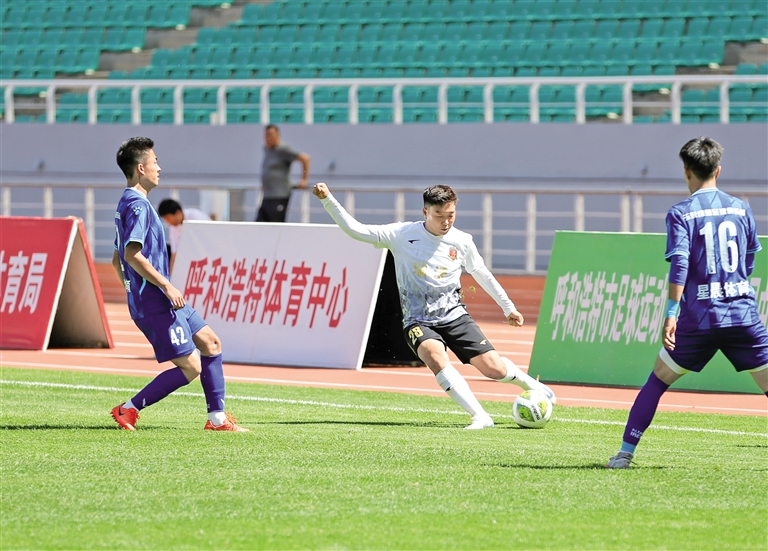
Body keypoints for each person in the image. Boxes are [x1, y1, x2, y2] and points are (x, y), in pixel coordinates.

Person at [313, 182, 556, 429]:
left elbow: (482, 274)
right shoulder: (401, 234)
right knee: (434, 355)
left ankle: (533, 386)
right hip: (417, 320)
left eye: (450, 215)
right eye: (439, 215)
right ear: (425, 212)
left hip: (455, 316)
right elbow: (355, 230)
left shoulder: (462, 241)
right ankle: (480, 416)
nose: (446, 221)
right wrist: (327, 199)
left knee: (494, 369)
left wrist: (508, 307)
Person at [607, 137, 767, 468]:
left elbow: (680, 263)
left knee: (658, 380)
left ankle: (624, 454)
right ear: (718, 170)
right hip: (742, 314)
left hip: (700, 318)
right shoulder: (741, 207)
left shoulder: (681, 212)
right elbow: (750, 259)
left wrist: (671, 313)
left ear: (686, 171)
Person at [110, 136, 248, 432]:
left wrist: (133, 290)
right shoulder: (138, 206)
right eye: (155, 161)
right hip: (158, 300)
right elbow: (131, 254)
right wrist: (163, 287)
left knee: (211, 343)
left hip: (161, 299)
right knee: (191, 367)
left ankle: (217, 420)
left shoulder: (128, 203)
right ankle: (128, 409)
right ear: (141, 168)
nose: (159, 167)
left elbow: (115, 258)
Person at [257, 124, 310, 222]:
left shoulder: (282, 149)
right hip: (267, 195)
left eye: (271, 135)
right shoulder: (266, 149)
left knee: (276, 224)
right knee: (259, 224)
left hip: (279, 195)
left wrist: (304, 179)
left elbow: (305, 159)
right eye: (267, 135)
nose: (268, 138)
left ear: (277, 136)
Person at [157, 198, 211, 273]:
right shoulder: (173, 228)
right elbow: (174, 254)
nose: (168, 222)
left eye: (168, 218)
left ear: (178, 213)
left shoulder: (196, 217)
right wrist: (171, 276)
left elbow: (208, 240)